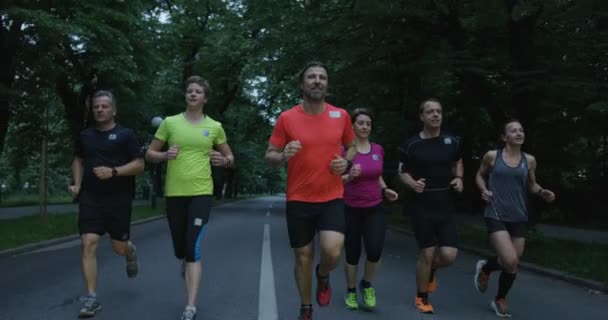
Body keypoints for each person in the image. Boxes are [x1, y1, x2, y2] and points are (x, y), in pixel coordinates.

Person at [265, 62, 356, 320]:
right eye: (312, 77)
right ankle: (306, 308)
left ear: (327, 84)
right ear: (302, 84)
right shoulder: (287, 118)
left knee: (332, 250)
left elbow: (351, 146)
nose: (317, 81)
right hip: (299, 198)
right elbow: (269, 154)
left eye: (322, 77)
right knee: (303, 256)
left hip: (331, 197)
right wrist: (283, 155)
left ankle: (323, 274)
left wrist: (347, 162)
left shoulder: (341, 115)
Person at [145, 76, 235, 320]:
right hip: (174, 194)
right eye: (189, 91)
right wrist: (164, 156)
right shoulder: (170, 123)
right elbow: (150, 153)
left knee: (193, 248)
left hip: (201, 193)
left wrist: (222, 160)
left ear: (205, 98)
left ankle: (190, 307)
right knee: (181, 251)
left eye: (198, 92)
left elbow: (230, 157)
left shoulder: (215, 126)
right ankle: (186, 266)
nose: (193, 94)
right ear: (185, 96)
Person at [69, 90, 144, 318]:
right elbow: (78, 159)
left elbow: (139, 164)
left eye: (104, 106)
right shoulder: (85, 136)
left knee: (118, 248)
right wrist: (77, 184)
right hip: (91, 197)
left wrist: (114, 171)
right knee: (88, 243)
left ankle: (130, 252)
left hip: (118, 199)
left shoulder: (126, 135)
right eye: (96, 107)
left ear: (114, 110)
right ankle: (91, 298)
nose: (100, 110)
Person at [474, 119, 556, 318]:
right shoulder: (492, 156)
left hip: (519, 216)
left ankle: (495, 288)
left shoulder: (529, 160)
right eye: (513, 131)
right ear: (504, 137)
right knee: (510, 260)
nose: (519, 133)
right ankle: (496, 289)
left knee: (511, 263)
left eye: (521, 130)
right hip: (495, 213)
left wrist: (542, 191)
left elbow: (532, 184)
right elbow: (479, 175)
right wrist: (484, 190)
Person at [398, 98, 463, 314]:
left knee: (449, 255)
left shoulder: (451, 140)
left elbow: (458, 161)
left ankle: (432, 270)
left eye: (439, 111)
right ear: (422, 117)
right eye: (430, 112)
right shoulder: (411, 144)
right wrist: (412, 184)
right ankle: (422, 296)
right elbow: (402, 171)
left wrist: (460, 178)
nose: (435, 115)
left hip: (445, 206)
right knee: (426, 253)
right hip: (422, 207)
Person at [341, 108, 399, 311]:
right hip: (350, 208)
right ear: (352, 126)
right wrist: (349, 176)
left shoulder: (378, 149)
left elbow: (377, 176)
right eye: (360, 123)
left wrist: (386, 190)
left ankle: (366, 284)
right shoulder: (344, 151)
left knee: (375, 250)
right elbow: (332, 181)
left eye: (368, 123)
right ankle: (350, 291)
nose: (364, 127)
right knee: (352, 253)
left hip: (375, 206)